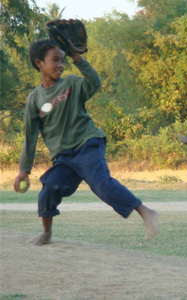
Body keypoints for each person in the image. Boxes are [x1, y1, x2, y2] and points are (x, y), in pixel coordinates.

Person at [13, 39, 158, 245]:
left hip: (88, 144)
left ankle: (146, 212)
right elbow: (30, 136)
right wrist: (23, 170)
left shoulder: (71, 84)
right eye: (55, 60)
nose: (61, 65)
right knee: (48, 189)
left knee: (101, 184)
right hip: (64, 158)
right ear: (39, 63)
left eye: (63, 60)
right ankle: (46, 233)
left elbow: (94, 82)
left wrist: (78, 58)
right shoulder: (34, 99)